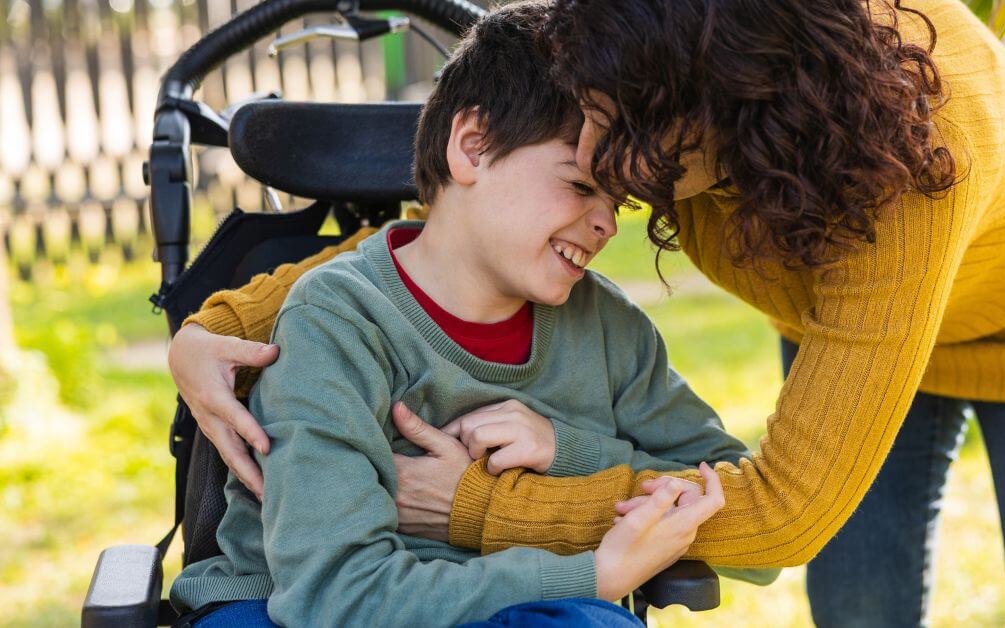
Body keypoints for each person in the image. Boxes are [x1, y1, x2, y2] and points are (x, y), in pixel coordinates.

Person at [173, 0, 1005, 624]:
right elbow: (448, 236)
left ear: (728, 107)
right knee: (862, 608)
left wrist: (493, 508)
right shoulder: (643, 65)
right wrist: (219, 321)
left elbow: (781, 518)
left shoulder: (903, 168)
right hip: (858, 325)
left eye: (620, 144)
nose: (605, 181)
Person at [167, 3, 773, 625]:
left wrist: (567, 452)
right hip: (289, 606)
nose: (607, 226)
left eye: (618, 203)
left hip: (532, 603)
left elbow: (747, 523)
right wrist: (592, 575)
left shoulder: (610, 331)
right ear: (473, 147)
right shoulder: (341, 323)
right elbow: (334, 595)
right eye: (580, 185)